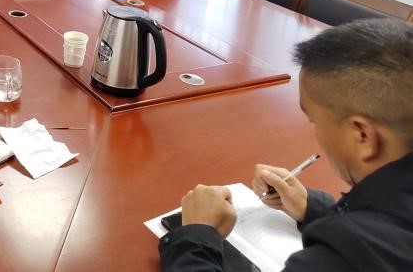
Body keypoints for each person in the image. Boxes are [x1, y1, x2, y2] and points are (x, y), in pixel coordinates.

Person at [159, 18, 413, 271]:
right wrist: (314, 208)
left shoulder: (347, 256)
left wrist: (196, 235)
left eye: (314, 120)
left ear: (362, 135)